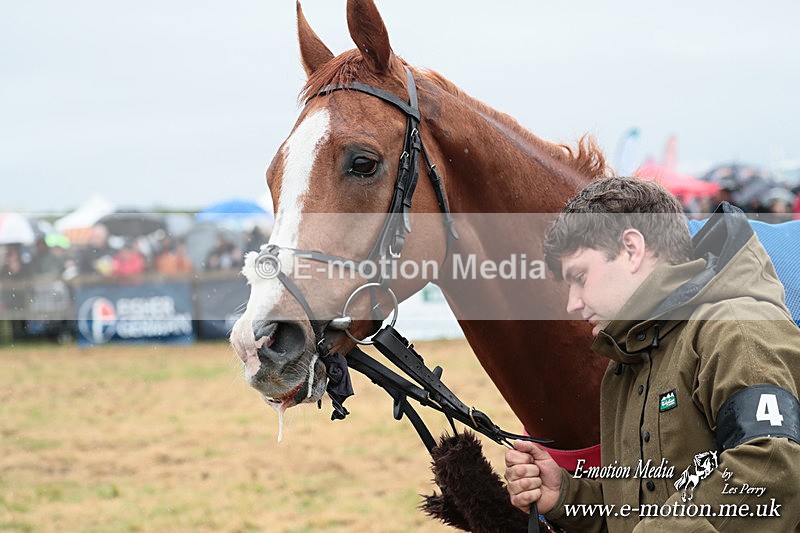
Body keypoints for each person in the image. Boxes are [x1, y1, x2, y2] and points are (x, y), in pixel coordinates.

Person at [504, 177, 800, 532]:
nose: (572, 303)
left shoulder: (735, 327)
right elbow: (639, 504)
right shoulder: (626, 367)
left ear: (631, 248)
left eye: (580, 276)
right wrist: (565, 496)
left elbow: (771, 469)